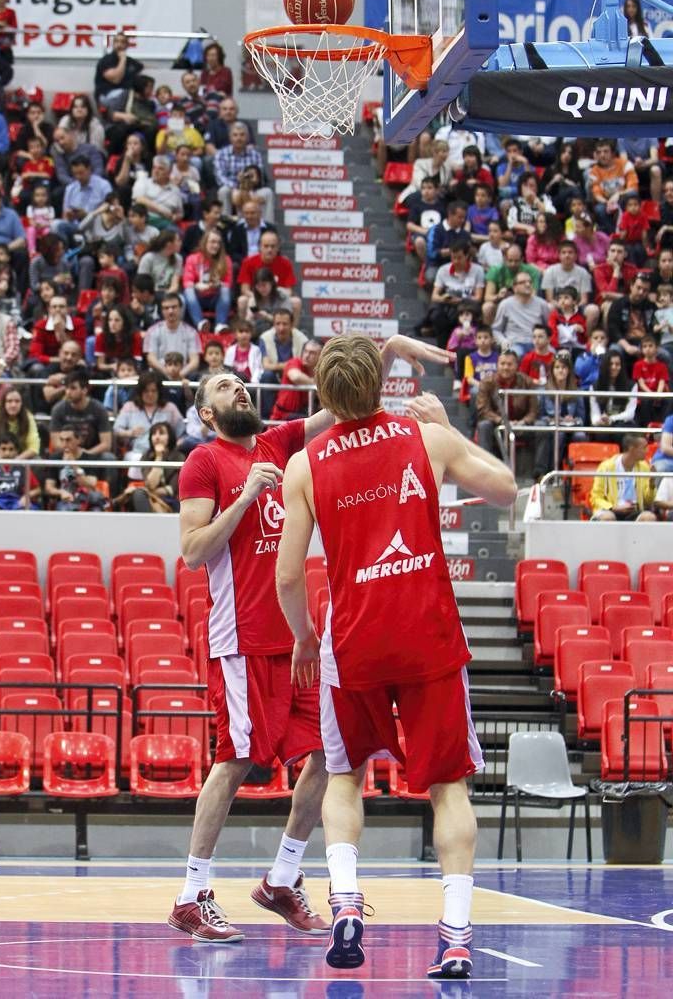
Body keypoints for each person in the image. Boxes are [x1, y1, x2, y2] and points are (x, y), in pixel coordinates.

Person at [167, 333, 456, 944]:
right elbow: (193, 552)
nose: (238, 387)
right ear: (206, 414)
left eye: (240, 381)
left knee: (331, 757)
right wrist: (247, 496)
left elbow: (342, 397)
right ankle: (191, 895)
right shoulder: (205, 461)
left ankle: (282, 880)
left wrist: (391, 349)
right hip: (243, 638)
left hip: (298, 640)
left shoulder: (278, 441)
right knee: (235, 758)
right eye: (223, 386)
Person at [274, 337, 516, 976]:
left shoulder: (306, 463)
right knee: (448, 787)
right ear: (381, 388)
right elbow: (506, 490)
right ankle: (457, 937)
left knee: (345, 774)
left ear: (324, 396)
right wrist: (446, 426)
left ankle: (347, 904)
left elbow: (288, 578)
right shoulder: (423, 438)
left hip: (354, 639)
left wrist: (303, 636)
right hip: (427, 634)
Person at [475, 349, 537, 458]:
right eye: (502, 364)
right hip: (497, 424)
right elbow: (483, 410)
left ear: (517, 366)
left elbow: (533, 411)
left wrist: (523, 422)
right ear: (497, 365)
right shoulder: (487, 382)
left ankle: (540, 472)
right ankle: (486, 467)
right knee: (484, 425)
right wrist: (502, 420)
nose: (506, 367)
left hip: (520, 425)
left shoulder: (527, 382)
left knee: (542, 427)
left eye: (509, 364)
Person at [534, 352, 586, 474]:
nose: (560, 371)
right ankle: (553, 471)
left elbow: (582, 418)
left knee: (581, 435)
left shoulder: (576, 392)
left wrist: (574, 420)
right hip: (553, 426)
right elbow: (540, 416)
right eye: (557, 368)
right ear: (552, 371)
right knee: (559, 434)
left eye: (564, 368)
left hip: (571, 427)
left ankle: (576, 473)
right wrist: (553, 420)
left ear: (569, 370)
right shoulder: (544, 391)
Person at [114, 370, 184, 455]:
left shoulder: (170, 408)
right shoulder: (129, 407)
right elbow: (116, 430)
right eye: (146, 391)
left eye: (154, 391)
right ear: (140, 392)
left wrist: (175, 445)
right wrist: (130, 432)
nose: (150, 394)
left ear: (159, 392)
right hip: (137, 453)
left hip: (165, 454)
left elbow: (182, 433)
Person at [590, 434, 656, 521]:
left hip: (634, 510)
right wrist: (612, 508)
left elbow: (648, 501)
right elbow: (596, 497)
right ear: (632, 449)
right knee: (608, 517)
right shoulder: (606, 467)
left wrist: (651, 483)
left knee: (649, 517)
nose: (647, 451)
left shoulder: (644, 467)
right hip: (611, 510)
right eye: (644, 448)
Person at [44, 425, 109, 512]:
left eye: (68, 440)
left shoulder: (90, 458)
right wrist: (61, 492)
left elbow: (90, 484)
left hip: (87, 500)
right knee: (64, 510)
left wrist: (73, 464)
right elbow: (48, 487)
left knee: (96, 511)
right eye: (61, 440)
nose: (64, 444)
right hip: (66, 501)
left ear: (78, 440)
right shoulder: (55, 458)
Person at [125, 421, 185, 513]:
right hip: (148, 498)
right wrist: (159, 457)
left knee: (140, 494)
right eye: (154, 434)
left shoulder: (179, 457)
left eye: (161, 433)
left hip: (171, 501)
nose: (157, 437)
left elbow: (172, 490)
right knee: (139, 496)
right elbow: (150, 484)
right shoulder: (146, 456)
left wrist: (147, 491)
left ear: (170, 437)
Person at [182, 229, 233, 333]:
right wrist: (197, 285)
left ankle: (220, 325)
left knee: (225, 289)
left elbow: (228, 283)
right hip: (198, 296)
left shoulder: (226, 260)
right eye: (212, 242)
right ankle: (200, 323)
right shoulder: (192, 259)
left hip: (215, 297)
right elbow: (187, 281)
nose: (216, 245)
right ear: (205, 243)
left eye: (218, 243)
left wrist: (219, 284)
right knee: (188, 291)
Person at [491, 272, 551, 358]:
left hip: (537, 342)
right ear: (514, 287)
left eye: (530, 282)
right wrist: (504, 342)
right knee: (515, 354)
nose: (527, 284)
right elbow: (496, 329)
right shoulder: (505, 304)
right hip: (514, 343)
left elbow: (548, 328)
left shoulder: (542, 304)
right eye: (523, 282)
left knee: (557, 356)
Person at [0, 432, 40, 510]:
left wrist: (27, 496)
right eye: (3, 449)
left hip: (17, 502)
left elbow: (37, 489)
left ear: (17, 451)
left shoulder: (23, 468)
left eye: (11, 449)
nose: (7, 453)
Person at [144, 293, 201, 376]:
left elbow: (195, 361)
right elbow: (151, 358)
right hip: (159, 375)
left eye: (174, 307)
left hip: (184, 375)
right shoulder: (152, 331)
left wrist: (181, 374)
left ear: (181, 308)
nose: (170, 311)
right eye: (166, 308)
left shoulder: (191, 332)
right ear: (162, 311)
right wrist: (166, 372)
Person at [0, 386, 40, 460]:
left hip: (21, 457)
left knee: (37, 460)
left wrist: (17, 460)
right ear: (4, 403)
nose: (13, 405)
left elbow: (34, 448)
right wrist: (1, 458)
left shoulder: (28, 417)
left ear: (22, 403)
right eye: (9, 401)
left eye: (17, 401)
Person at [590, 349, 638, 439]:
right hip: (603, 422)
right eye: (610, 364)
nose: (614, 367)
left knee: (620, 431)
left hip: (623, 422)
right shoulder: (595, 386)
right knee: (601, 433)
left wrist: (611, 419)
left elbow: (630, 413)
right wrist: (599, 420)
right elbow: (594, 414)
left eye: (617, 364)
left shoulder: (632, 386)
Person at [94, 31, 144, 109]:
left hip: (125, 98)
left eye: (122, 42)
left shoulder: (130, 62)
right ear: (112, 44)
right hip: (107, 96)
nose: (119, 45)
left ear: (127, 45)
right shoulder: (105, 60)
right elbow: (116, 79)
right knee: (127, 93)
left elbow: (142, 67)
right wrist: (122, 60)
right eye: (116, 41)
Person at [632, 334, 668, 427]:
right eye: (645, 346)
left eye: (650, 346)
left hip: (657, 394)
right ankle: (647, 428)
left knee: (668, 400)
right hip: (645, 395)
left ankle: (663, 426)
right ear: (642, 349)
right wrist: (651, 394)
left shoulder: (662, 366)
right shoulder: (638, 365)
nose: (647, 349)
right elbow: (641, 383)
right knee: (646, 401)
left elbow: (662, 381)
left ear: (656, 348)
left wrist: (658, 394)